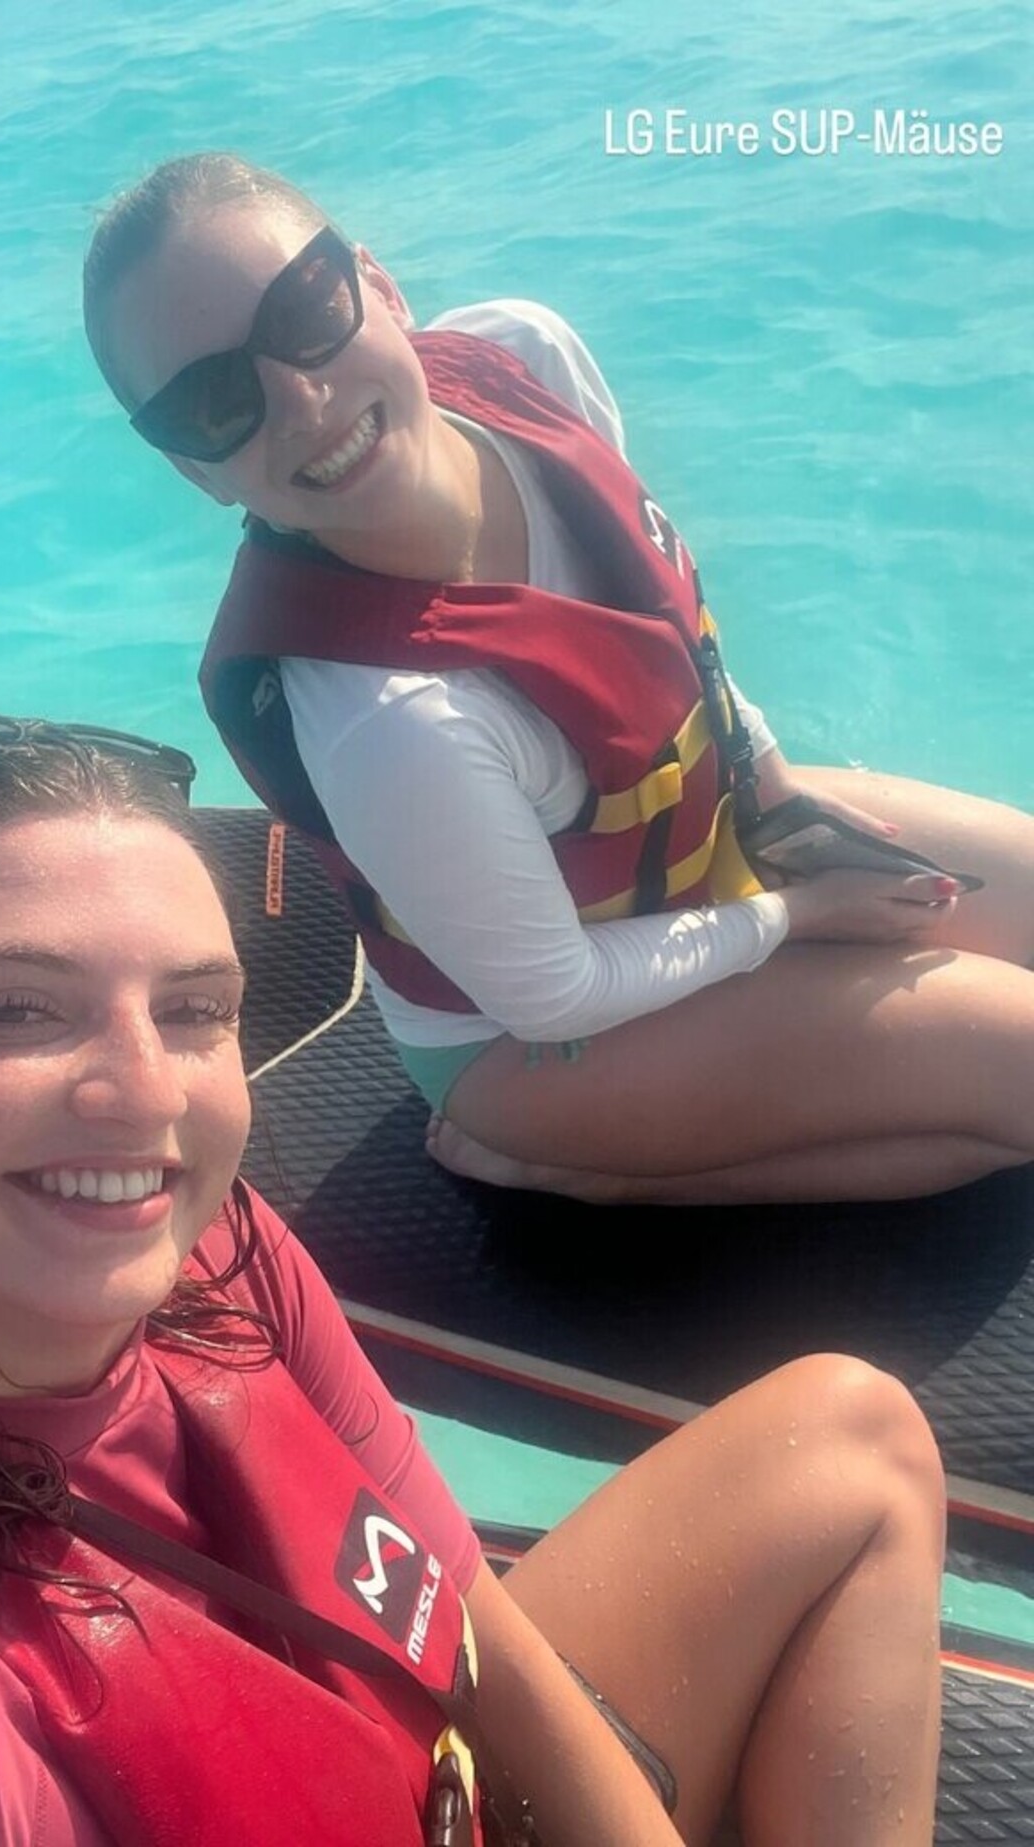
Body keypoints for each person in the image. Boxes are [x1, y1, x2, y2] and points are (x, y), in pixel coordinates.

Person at [0, 732, 944, 1844]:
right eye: (15, 1009)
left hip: (435, 1776)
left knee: (854, 1435)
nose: (147, 1095)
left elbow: (467, 1608)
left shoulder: (223, 1252)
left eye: (193, 1010)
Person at [83, 153, 1034, 1206]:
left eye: (305, 311)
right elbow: (555, 992)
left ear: (377, 284)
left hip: (693, 849)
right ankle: (594, 1171)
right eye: (215, 403)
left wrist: (772, 791)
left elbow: (658, 624)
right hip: (534, 1041)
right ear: (194, 469)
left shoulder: (518, 356)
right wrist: (799, 914)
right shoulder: (390, 720)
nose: (300, 400)